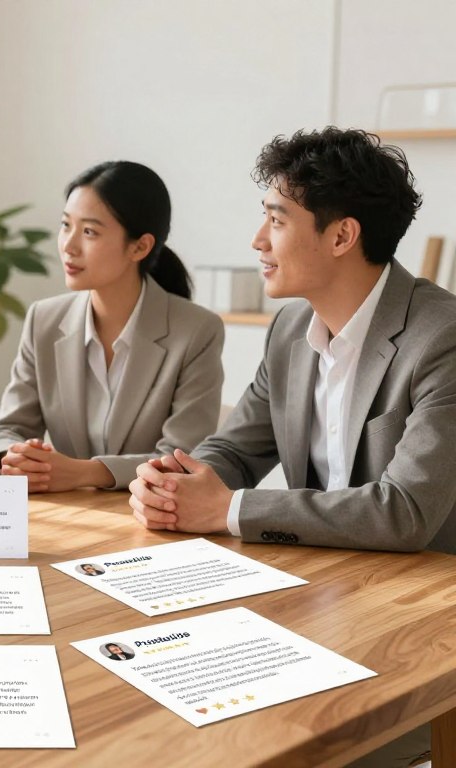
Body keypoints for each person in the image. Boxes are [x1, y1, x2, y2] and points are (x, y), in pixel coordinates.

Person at [129, 127, 451, 768]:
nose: (257, 242)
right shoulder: (290, 329)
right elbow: (236, 448)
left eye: (276, 221)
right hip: (331, 593)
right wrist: (174, 481)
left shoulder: (441, 338)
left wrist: (224, 511)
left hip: (422, 625)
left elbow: (404, 512)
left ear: (341, 236)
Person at [0, 161, 224, 491]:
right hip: (65, 517)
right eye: (66, 225)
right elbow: (7, 429)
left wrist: (84, 473)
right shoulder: (44, 320)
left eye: (89, 232)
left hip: (154, 518)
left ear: (139, 246)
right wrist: (16, 457)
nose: (69, 245)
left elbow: (182, 457)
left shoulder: (196, 331)